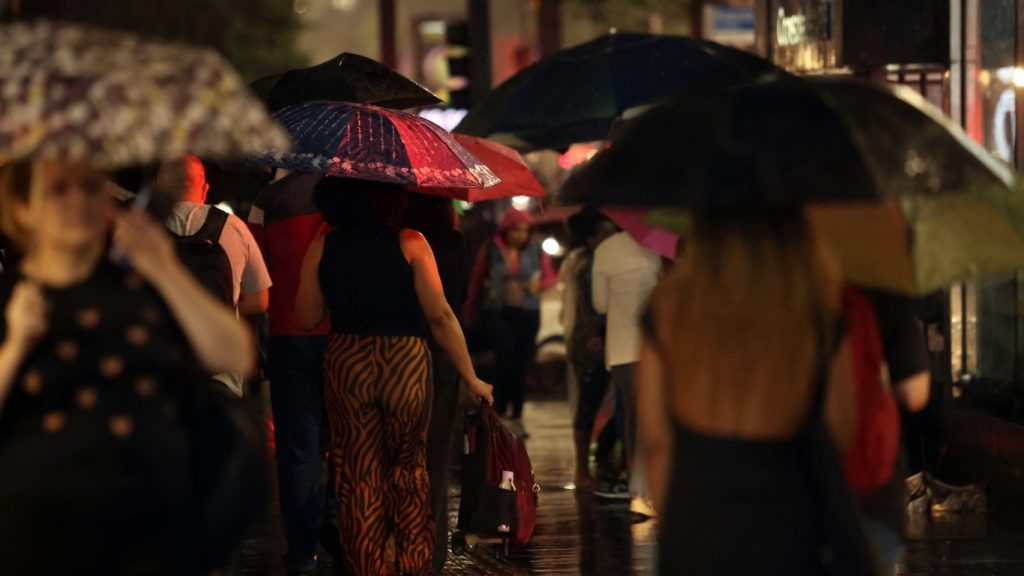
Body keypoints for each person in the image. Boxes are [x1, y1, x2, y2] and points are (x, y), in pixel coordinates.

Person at [0, 160, 254, 574]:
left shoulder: (141, 283)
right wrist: (15, 346)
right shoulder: (11, 298)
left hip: (152, 524)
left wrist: (164, 267)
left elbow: (233, 354)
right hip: (46, 529)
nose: (79, 201)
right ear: (22, 208)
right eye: (58, 190)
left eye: (90, 187)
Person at [637, 212, 861, 574]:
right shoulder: (815, 307)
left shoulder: (668, 307)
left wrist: (673, 526)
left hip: (694, 526)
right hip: (789, 526)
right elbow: (840, 431)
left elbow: (657, 442)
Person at [296, 177, 493, 576]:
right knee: (409, 468)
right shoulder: (412, 242)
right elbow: (440, 316)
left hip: (348, 361)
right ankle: (412, 565)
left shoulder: (322, 245)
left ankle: (367, 567)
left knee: (358, 472)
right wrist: (471, 377)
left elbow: (308, 316)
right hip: (404, 361)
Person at [248, 170, 342, 576]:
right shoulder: (348, 191)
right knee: (346, 441)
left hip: (289, 334)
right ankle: (339, 525)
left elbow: (253, 274)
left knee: (299, 449)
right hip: (343, 334)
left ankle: (303, 552)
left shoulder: (268, 200)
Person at [160, 154, 271, 397]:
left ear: (158, 188)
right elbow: (259, 301)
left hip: (161, 370)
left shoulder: (141, 230)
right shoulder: (233, 227)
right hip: (220, 371)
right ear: (205, 188)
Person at [400, 194, 469, 575]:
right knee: (436, 457)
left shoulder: (401, 239)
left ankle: (401, 544)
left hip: (403, 350)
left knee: (400, 455)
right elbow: (456, 301)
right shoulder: (453, 242)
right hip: (444, 354)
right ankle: (433, 551)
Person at [464, 208, 555, 435]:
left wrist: (540, 285)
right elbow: (477, 279)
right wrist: (470, 309)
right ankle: (502, 410)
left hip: (527, 313)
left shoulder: (535, 249)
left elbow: (549, 277)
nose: (520, 235)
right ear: (506, 230)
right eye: (515, 230)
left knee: (522, 362)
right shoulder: (491, 249)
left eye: (524, 230)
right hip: (498, 312)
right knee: (504, 360)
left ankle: (518, 413)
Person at [590, 229, 661, 519]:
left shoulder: (605, 249)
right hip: (654, 345)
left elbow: (600, 304)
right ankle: (644, 489)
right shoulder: (659, 246)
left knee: (632, 414)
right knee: (651, 414)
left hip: (621, 348)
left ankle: (636, 486)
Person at [565, 208, 618, 488]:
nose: (609, 238)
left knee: (615, 403)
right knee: (590, 404)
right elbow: (590, 308)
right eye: (603, 234)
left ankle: (600, 460)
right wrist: (597, 335)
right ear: (590, 238)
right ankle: (583, 470)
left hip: (598, 340)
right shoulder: (588, 263)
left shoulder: (594, 259)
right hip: (592, 343)